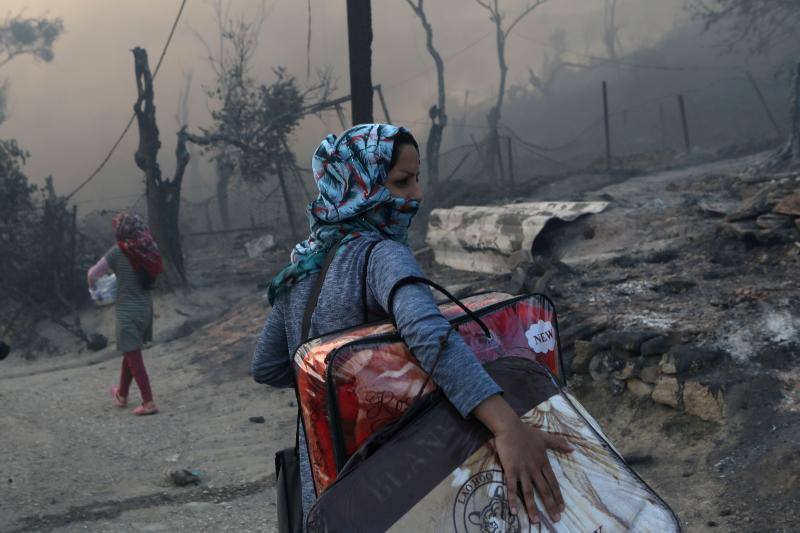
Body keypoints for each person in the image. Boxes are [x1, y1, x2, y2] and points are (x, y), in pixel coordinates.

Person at [251, 124, 572, 528]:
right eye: (401, 182)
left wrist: (338, 383)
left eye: (416, 179)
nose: (416, 194)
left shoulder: (299, 270)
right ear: (359, 186)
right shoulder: (382, 255)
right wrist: (507, 427)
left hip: (328, 472)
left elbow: (268, 367)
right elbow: (428, 335)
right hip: (398, 470)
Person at [87, 212, 162, 416]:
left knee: (134, 356)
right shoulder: (149, 248)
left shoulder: (118, 252)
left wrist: (94, 289)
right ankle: (122, 394)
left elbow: (92, 274)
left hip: (128, 311)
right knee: (130, 351)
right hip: (146, 308)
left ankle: (148, 402)